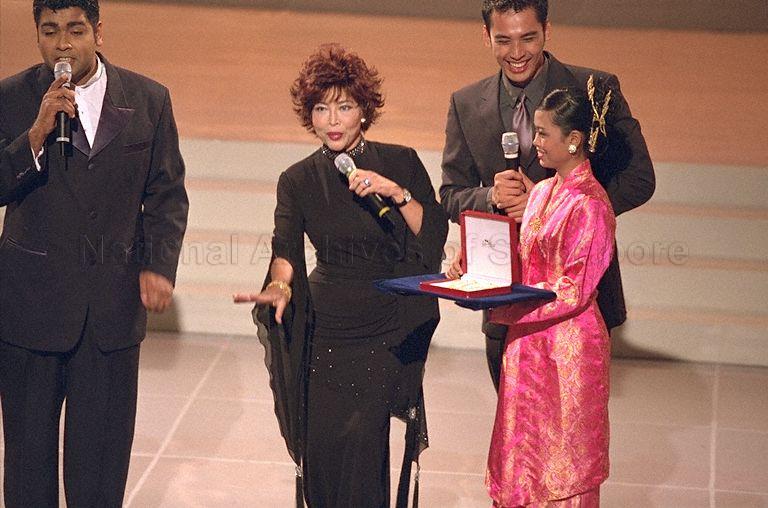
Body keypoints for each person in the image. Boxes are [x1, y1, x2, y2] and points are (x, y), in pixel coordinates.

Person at [233, 44, 448, 508]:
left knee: (364, 450)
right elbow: (285, 248)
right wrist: (279, 285)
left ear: (364, 112)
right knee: (324, 455)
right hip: (325, 330)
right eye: (321, 108)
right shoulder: (297, 179)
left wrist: (394, 190)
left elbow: (431, 236)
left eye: (344, 107)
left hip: (383, 329)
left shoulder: (401, 161)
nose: (333, 119)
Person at [0, 1, 189, 506]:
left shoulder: (149, 99)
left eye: (76, 30)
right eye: (50, 31)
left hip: (109, 314)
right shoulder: (11, 98)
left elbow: (167, 195)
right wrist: (35, 135)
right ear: (37, 35)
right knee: (26, 468)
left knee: (100, 472)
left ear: (98, 32)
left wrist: (157, 265)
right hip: (29, 311)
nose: (64, 44)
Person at [440, 0, 655, 392]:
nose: (517, 53)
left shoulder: (594, 90)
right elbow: (451, 195)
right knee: (516, 437)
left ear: (547, 31)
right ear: (486, 35)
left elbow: (639, 179)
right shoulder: (466, 103)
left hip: (577, 307)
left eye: (529, 38)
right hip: (503, 299)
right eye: (504, 40)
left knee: (570, 440)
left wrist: (550, 203)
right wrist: (491, 196)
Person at [484, 85, 616, 506]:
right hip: (527, 344)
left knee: (562, 462)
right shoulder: (541, 191)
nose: (534, 142)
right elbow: (525, 261)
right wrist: (476, 272)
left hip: (568, 347)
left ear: (573, 140)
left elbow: (573, 288)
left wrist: (507, 304)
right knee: (521, 455)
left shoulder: (591, 204)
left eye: (543, 134)